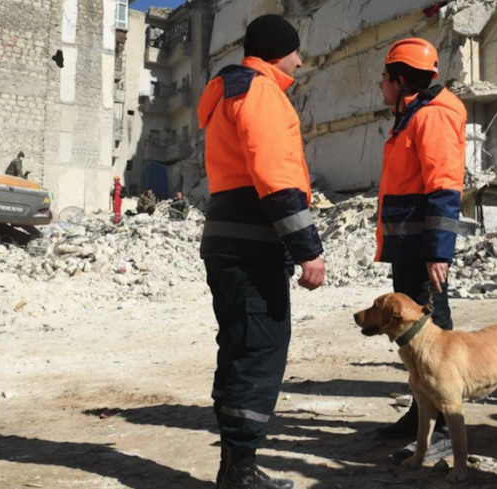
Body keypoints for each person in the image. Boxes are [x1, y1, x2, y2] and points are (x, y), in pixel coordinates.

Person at [196, 14, 325, 489]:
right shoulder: (262, 92)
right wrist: (307, 248)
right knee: (260, 351)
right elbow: (277, 179)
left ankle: (236, 467)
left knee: (237, 349)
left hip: (225, 243)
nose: (300, 60)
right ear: (277, 51)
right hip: (254, 247)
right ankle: (240, 474)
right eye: (295, 51)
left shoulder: (227, 92)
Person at [371, 37, 466, 465]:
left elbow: (444, 188)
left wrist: (438, 252)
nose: (381, 85)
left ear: (402, 80)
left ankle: (445, 429)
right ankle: (419, 416)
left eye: (386, 78)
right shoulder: (410, 117)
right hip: (409, 248)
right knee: (412, 343)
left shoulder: (431, 119)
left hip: (423, 250)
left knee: (433, 342)